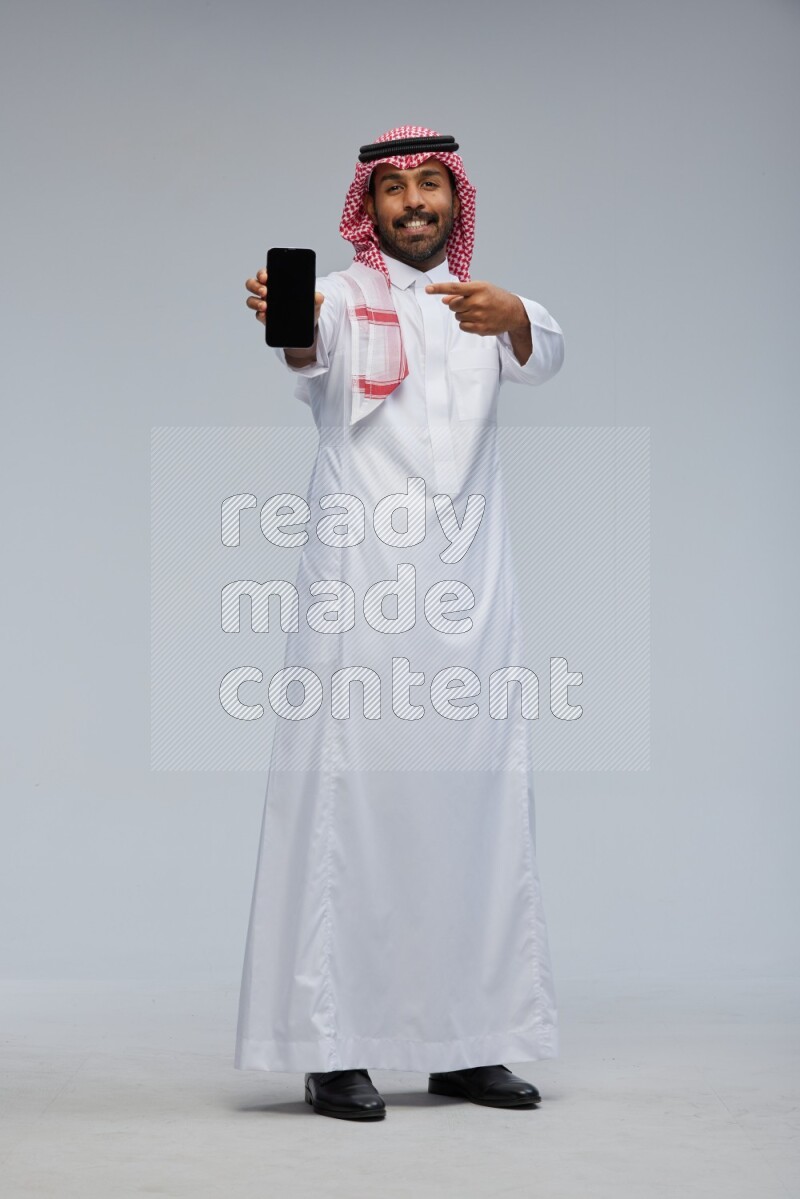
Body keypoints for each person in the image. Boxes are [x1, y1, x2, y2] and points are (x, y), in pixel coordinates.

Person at [237, 126, 565, 1121]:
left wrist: (509, 316)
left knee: (471, 812)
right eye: (394, 190)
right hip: (360, 596)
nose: (414, 202)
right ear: (366, 207)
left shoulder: (489, 305)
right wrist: (284, 313)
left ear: (453, 201)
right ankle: (331, 1047)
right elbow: (302, 349)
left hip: (469, 601)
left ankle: (467, 1042)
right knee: (351, 810)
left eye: (430, 185)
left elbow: (542, 350)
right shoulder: (336, 299)